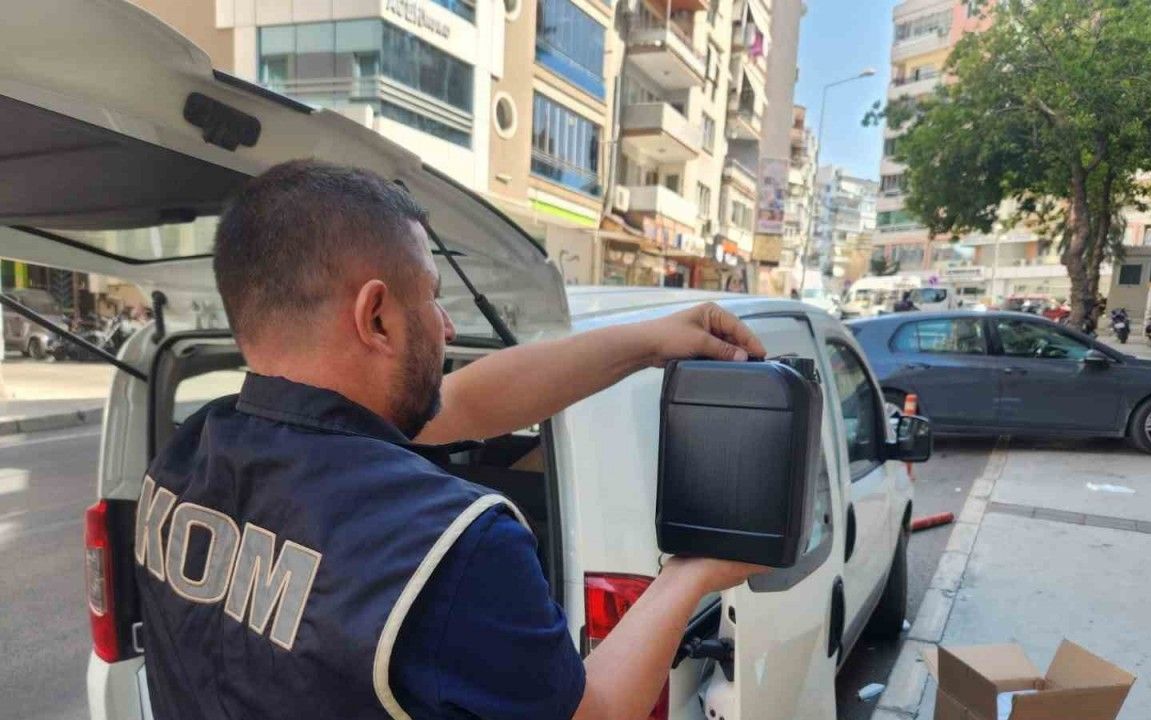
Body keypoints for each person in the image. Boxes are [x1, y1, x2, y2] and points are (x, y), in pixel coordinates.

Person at [136, 161, 768, 720]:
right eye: (432, 297)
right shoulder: (453, 546)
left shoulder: (185, 456)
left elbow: (463, 403)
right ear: (376, 316)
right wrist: (689, 574)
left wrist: (650, 342)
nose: (444, 325)